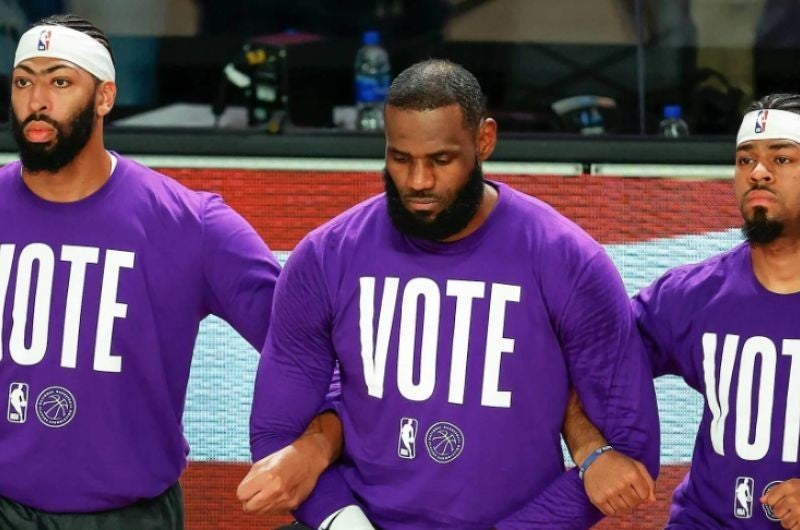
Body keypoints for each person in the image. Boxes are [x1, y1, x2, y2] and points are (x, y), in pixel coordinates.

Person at [239, 58, 660, 530]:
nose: (418, 182)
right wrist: (345, 523)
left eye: (440, 160)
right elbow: (277, 433)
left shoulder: (568, 261)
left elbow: (631, 446)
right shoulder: (325, 257)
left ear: (484, 141)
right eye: (400, 158)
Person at [0, 14, 339, 529]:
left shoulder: (191, 223)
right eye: (24, 81)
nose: (36, 101)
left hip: (128, 517)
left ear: (104, 98)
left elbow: (308, 349)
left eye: (60, 81)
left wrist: (315, 447)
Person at [569, 93, 800, 528]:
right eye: (745, 160)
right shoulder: (690, 295)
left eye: (783, 159)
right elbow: (580, 358)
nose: (759, 172)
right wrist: (590, 453)